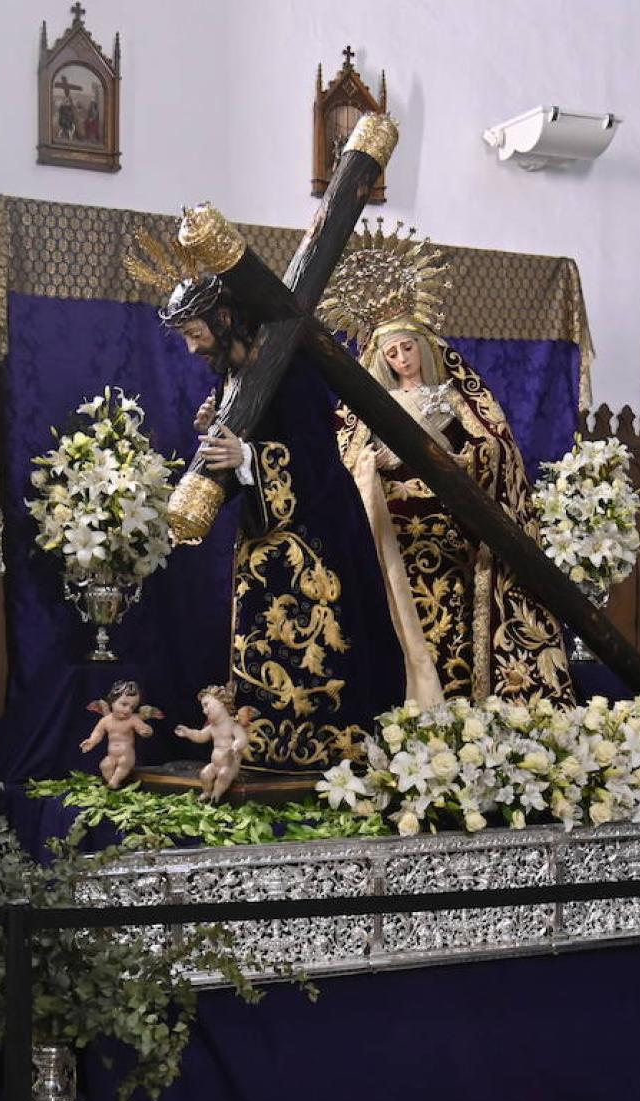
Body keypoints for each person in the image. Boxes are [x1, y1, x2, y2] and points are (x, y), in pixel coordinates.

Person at [152, 268, 405, 773]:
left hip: (320, 535)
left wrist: (246, 454)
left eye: (196, 335)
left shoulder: (290, 367)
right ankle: (264, 746)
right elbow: (237, 457)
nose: (192, 350)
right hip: (265, 539)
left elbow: (314, 457)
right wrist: (222, 438)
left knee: (321, 642)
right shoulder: (234, 378)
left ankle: (332, 755)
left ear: (225, 319)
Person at [319, 223, 571, 704]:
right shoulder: (369, 405)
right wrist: (373, 461)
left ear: (423, 346)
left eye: (407, 348)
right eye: (391, 353)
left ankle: (455, 699)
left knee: (452, 617)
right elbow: (346, 460)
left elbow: (493, 448)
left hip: (448, 525)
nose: (401, 358)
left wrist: (461, 459)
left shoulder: (453, 396)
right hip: (393, 528)